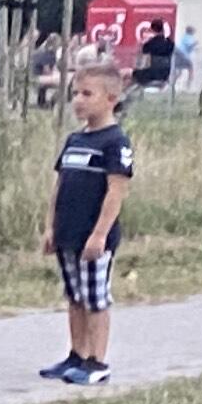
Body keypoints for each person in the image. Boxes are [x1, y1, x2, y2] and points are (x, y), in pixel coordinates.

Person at [45, 63, 134, 386]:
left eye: (87, 94)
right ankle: (77, 353)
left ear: (111, 99)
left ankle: (97, 360)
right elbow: (59, 186)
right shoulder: (74, 140)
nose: (78, 101)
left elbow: (115, 192)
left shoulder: (115, 142)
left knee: (95, 298)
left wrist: (99, 234)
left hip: (93, 237)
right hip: (68, 233)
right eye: (75, 94)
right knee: (75, 296)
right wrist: (51, 227)